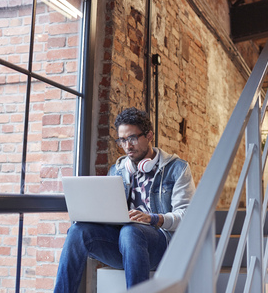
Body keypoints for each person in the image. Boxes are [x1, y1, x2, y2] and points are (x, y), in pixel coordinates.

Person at [54, 107, 196, 292]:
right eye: (122, 140)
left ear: (149, 136)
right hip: (124, 247)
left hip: (163, 247)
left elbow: (187, 216)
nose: (127, 146)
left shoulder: (177, 169)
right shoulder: (118, 171)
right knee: (77, 231)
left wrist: (153, 218)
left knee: (131, 231)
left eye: (133, 138)